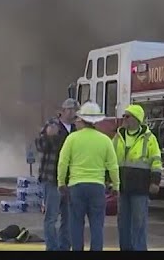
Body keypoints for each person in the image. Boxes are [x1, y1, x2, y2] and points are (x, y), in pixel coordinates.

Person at [57, 101, 118, 252]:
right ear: (96, 121)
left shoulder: (72, 139)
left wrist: (61, 182)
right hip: (97, 188)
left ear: (82, 119)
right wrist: (116, 185)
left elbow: (63, 162)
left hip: (76, 187)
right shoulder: (105, 140)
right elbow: (113, 165)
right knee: (97, 225)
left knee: (76, 225)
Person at [114, 105, 163, 251]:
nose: (124, 119)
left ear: (136, 119)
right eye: (124, 116)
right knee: (123, 223)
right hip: (122, 187)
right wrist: (109, 180)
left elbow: (156, 161)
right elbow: (110, 160)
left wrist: (155, 181)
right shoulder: (118, 137)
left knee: (139, 223)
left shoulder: (149, 138)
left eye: (127, 116)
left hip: (140, 188)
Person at [36, 98, 78, 251]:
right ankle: (52, 248)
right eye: (70, 110)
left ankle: (64, 247)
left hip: (70, 180)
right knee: (51, 217)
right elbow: (39, 146)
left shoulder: (76, 129)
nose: (73, 113)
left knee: (68, 218)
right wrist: (48, 136)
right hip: (52, 178)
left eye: (75, 110)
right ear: (63, 110)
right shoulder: (52, 125)